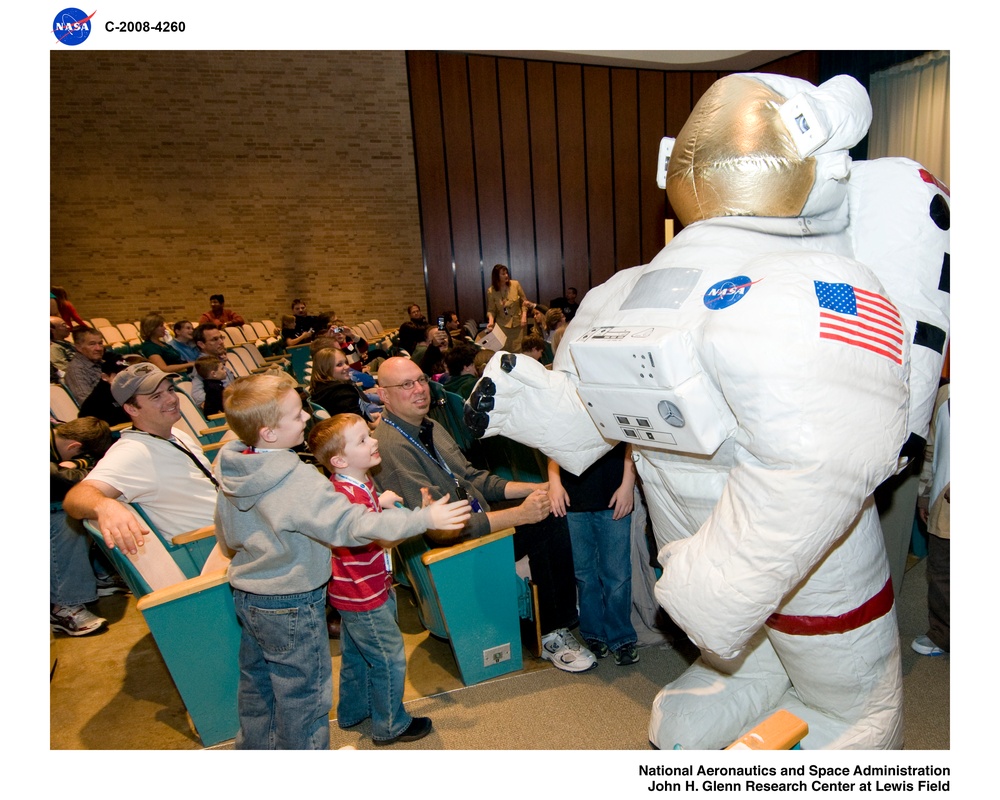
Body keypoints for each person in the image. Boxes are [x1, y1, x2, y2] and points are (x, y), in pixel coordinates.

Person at [466, 72, 950, 749]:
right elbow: (594, 412)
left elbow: (823, 459)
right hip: (686, 521)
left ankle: (852, 713)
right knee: (733, 637)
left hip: (795, 551)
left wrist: (726, 581)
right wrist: (532, 403)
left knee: (830, 658)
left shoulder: (820, 288)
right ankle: (745, 673)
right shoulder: (630, 288)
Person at [213, 372, 471, 749]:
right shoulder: (297, 479)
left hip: (249, 594)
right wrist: (424, 519)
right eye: (297, 414)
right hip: (292, 600)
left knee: (259, 689)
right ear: (269, 432)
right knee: (305, 697)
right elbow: (352, 526)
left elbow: (226, 536)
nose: (307, 417)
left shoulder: (236, 468)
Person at [372, 356, 595, 673]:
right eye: (406, 384)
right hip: (453, 546)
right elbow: (440, 528)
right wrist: (520, 515)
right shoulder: (393, 447)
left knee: (548, 502)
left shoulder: (428, 426)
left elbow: (471, 478)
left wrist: (533, 488)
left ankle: (559, 602)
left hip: (472, 518)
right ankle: (550, 630)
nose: (419, 389)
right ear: (384, 395)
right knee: (545, 521)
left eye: (421, 380)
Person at [308, 413, 435, 745]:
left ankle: (353, 711)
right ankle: (390, 725)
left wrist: (379, 502)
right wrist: (421, 517)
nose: (374, 441)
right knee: (388, 658)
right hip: (364, 595)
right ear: (339, 460)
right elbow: (382, 537)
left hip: (357, 589)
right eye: (363, 440)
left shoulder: (353, 484)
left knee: (356, 656)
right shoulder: (347, 495)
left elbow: (360, 520)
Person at [63, 363, 220, 555]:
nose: (172, 399)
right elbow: (76, 498)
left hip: (231, 532)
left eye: (170, 390)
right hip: (212, 547)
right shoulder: (132, 452)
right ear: (132, 409)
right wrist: (104, 506)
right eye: (156, 396)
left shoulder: (176, 434)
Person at [548, 443, 638, 665]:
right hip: (572, 498)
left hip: (614, 494)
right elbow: (552, 441)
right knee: (584, 574)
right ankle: (593, 633)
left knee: (617, 575)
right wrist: (554, 484)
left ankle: (622, 637)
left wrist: (628, 485)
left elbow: (630, 441)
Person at [51, 416, 121, 636]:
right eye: (78, 455)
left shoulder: (58, 433)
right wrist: (80, 468)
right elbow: (67, 480)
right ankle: (63, 606)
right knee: (68, 516)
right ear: (74, 446)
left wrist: (77, 463)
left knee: (87, 503)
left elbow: (94, 464)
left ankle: (99, 574)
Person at [913, 380, 950, 657]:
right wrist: (924, 495)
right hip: (944, 504)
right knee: (941, 572)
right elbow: (932, 448)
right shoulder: (945, 395)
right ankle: (943, 634)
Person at [309, 347, 382, 424]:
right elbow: (357, 424)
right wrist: (377, 423)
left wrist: (371, 416)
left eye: (346, 362)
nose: (347, 367)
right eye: (339, 364)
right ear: (325, 369)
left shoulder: (320, 389)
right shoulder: (342, 393)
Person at [77, 351, 132, 427]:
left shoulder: (130, 390)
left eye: (127, 375)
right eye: (119, 376)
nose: (126, 379)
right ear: (105, 377)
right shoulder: (98, 399)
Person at [485, 264, 531, 353]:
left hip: (518, 325)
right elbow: (491, 310)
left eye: (506, 273)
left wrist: (524, 316)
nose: (506, 275)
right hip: (502, 327)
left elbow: (525, 303)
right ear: (496, 276)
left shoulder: (515, 284)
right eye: (503, 274)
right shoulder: (491, 291)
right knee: (504, 353)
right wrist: (491, 322)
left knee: (520, 351)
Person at [191, 323, 237, 408]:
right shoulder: (202, 365)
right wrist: (220, 405)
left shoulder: (216, 360)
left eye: (221, 337)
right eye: (215, 339)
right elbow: (198, 395)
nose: (221, 342)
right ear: (201, 344)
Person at [63, 326, 106, 404]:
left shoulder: (103, 363)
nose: (99, 348)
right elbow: (87, 403)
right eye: (92, 344)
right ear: (78, 347)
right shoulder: (76, 370)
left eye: (100, 343)